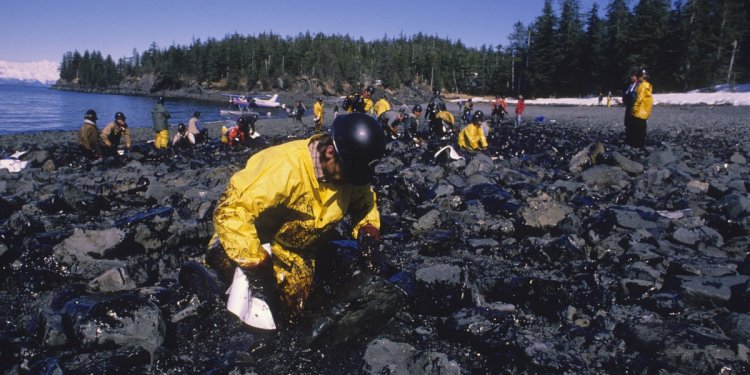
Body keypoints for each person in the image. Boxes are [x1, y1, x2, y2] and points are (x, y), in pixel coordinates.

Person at [206, 113, 387, 321]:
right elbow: (230, 209)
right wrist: (257, 264)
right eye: (348, 173)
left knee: (294, 313)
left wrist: (369, 233)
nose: (350, 180)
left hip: (298, 253)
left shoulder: (349, 172)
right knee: (247, 309)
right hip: (252, 245)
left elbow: (364, 202)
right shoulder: (284, 167)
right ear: (330, 153)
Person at [630, 69, 653, 148]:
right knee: (642, 128)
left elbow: (639, 99)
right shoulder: (648, 85)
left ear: (641, 77)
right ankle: (641, 144)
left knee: (638, 129)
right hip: (645, 111)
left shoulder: (642, 86)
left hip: (639, 111)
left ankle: (637, 144)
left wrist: (634, 109)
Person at [622, 72, 639, 146]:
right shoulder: (630, 85)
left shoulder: (638, 85)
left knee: (633, 121)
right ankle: (628, 137)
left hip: (634, 105)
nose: (632, 78)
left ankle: (633, 138)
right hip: (628, 105)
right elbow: (626, 94)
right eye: (631, 76)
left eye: (633, 76)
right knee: (627, 121)